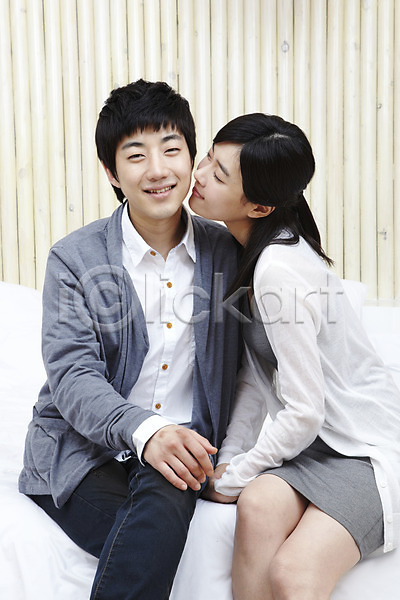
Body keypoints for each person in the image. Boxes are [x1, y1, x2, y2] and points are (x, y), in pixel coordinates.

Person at [18, 79, 242, 600]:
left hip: (183, 453)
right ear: (112, 173)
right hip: (83, 451)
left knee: (169, 484)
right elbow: (73, 376)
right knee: (159, 517)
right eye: (136, 155)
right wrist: (148, 432)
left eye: (171, 149)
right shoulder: (75, 258)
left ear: (192, 158)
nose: (158, 170)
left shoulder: (229, 253)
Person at [189, 113, 400, 600]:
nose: (199, 175)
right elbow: (253, 379)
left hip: (365, 451)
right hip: (315, 447)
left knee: (292, 572)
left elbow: (305, 410)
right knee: (257, 504)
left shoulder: (278, 270)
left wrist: (236, 476)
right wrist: (232, 464)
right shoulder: (245, 255)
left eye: (219, 174)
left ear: (260, 206)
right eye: (208, 158)